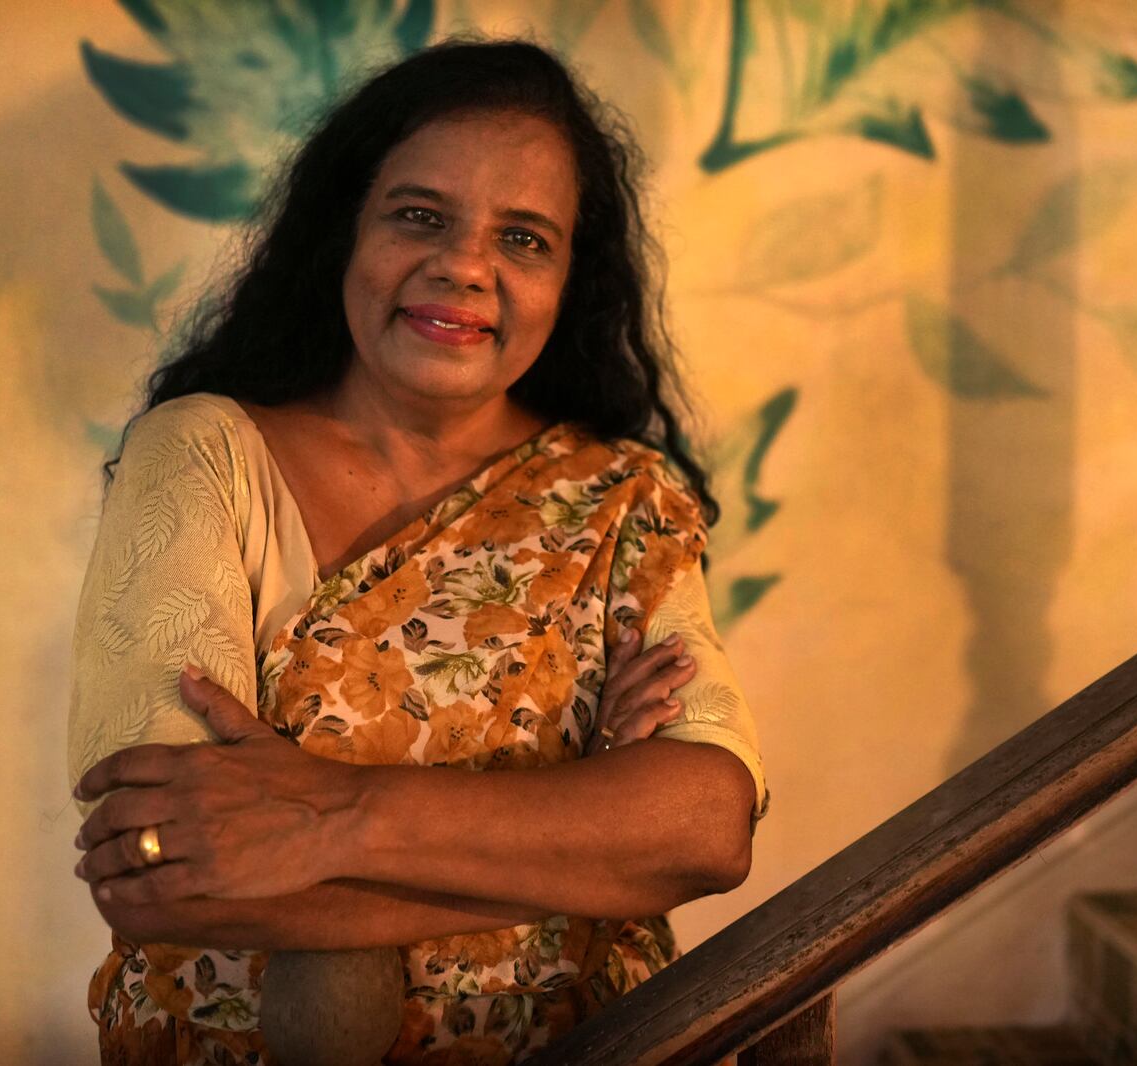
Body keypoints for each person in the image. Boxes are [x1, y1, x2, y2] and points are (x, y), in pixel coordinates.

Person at [67, 38, 770, 1065]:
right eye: (418, 215)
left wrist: (329, 813)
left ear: (571, 282)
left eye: (524, 239)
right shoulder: (204, 453)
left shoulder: (625, 500)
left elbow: (706, 829)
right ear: (344, 233)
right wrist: (590, 848)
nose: (463, 265)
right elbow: (162, 861)